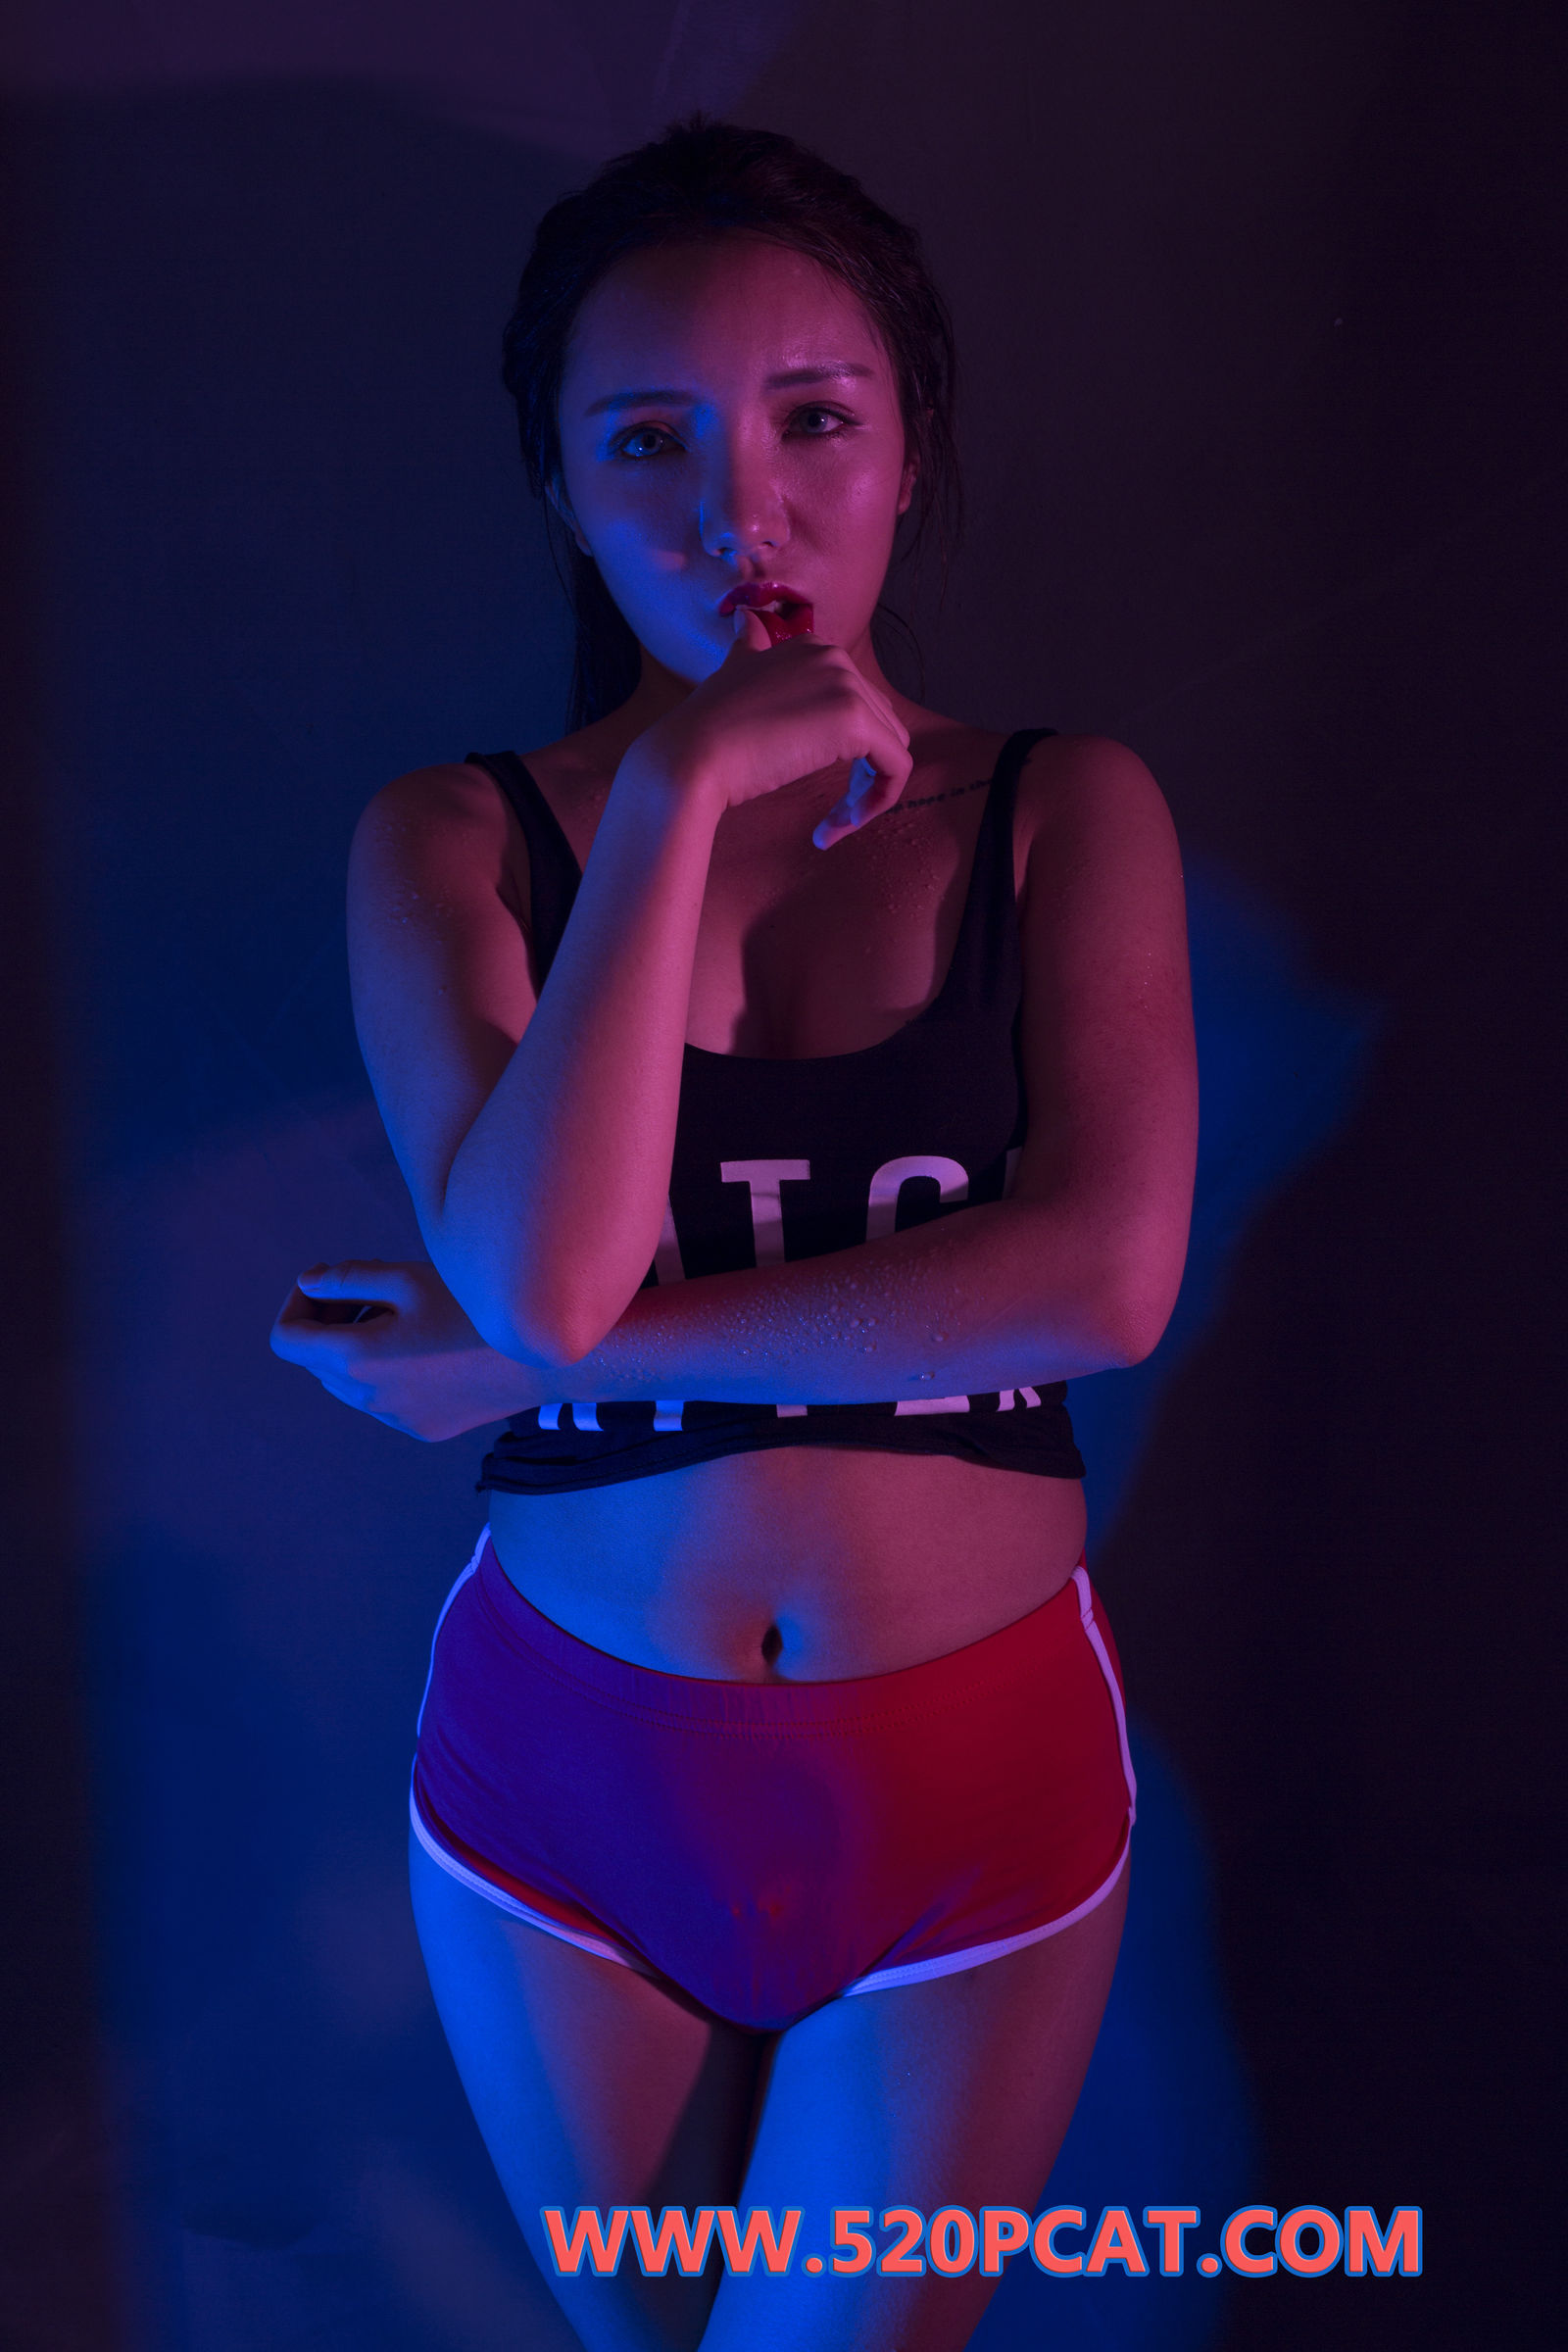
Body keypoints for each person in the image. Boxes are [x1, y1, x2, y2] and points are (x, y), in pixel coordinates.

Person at [271, 118, 1197, 2352]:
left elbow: (1100, 1279)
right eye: (648, 443)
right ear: (564, 490)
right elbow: (547, 1269)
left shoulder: (1061, 809)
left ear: (908, 446)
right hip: (566, 1794)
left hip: (962, 1793)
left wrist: (536, 1363)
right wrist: (684, 789)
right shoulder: (453, 846)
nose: (739, 511)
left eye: (813, 422)